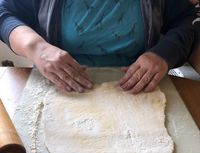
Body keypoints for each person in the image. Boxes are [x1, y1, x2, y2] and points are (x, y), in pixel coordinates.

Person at [0, 0, 199, 94]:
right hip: (58, 88)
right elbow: (3, 12)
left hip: (138, 90)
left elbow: (190, 18)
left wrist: (163, 54)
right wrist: (37, 48)